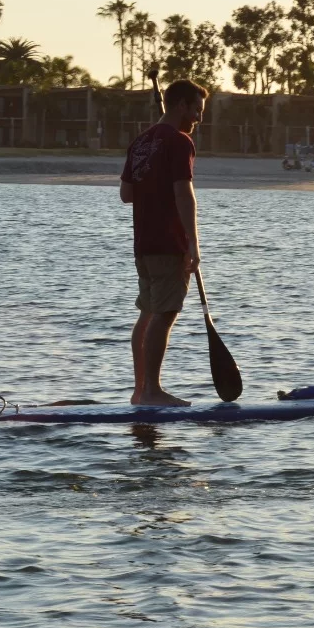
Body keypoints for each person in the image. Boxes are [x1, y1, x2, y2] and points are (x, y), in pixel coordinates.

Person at [119, 79, 208, 406]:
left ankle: (140, 391)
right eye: (196, 111)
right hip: (168, 243)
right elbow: (184, 193)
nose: (198, 119)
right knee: (165, 313)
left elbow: (126, 194)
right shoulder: (179, 142)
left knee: (148, 313)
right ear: (181, 105)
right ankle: (153, 392)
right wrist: (193, 245)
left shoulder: (140, 142)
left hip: (142, 244)